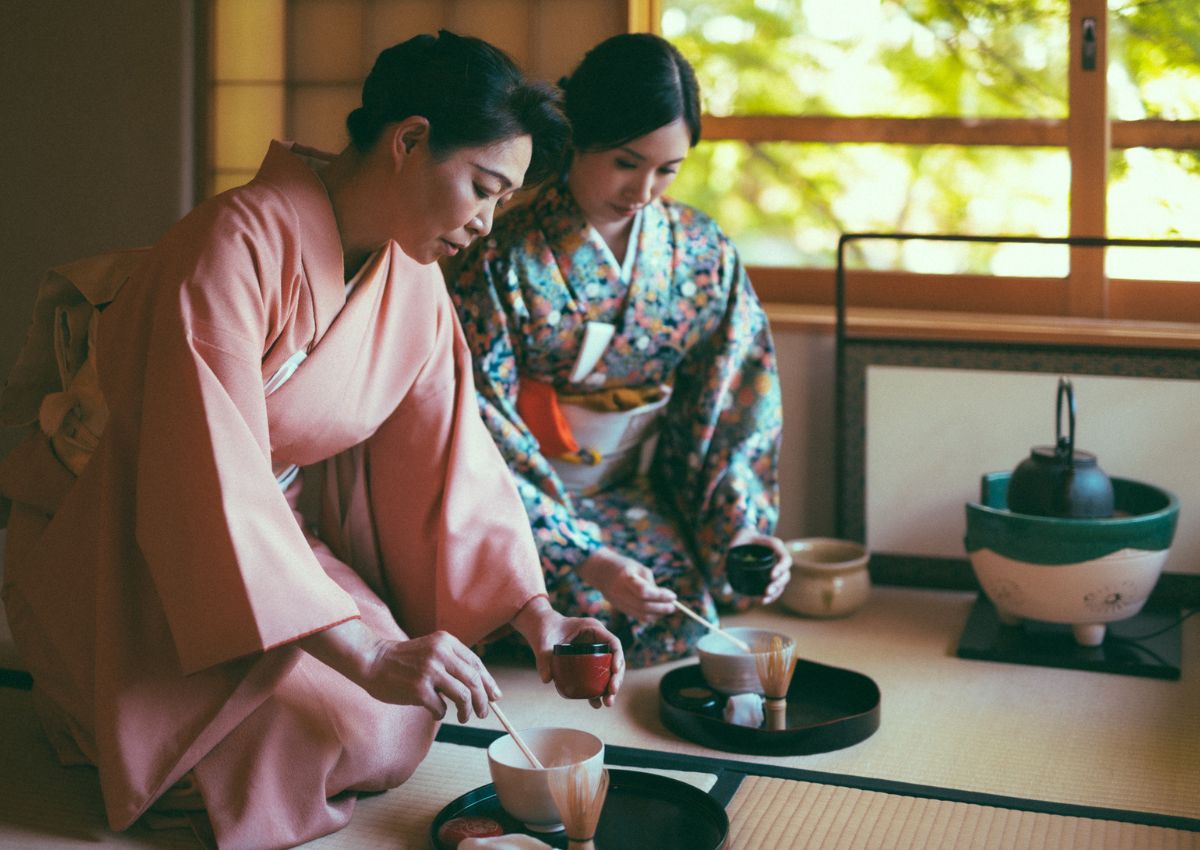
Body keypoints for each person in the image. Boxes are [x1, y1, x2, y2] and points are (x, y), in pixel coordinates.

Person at [0, 31, 623, 850]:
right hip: (132, 540)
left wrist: (534, 613)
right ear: (408, 140)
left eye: (502, 201)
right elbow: (203, 475)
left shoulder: (415, 282)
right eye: (482, 187)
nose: (486, 223)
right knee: (315, 734)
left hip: (265, 549)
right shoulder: (231, 244)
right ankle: (98, 701)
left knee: (396, 717)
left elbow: (450, 462)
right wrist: (362, 648)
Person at [448, 33, 790, 668]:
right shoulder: (500, 251)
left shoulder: (701, 250)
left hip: (626, 496)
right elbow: (479, 417)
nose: (644, 190)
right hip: (523, 505)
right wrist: (583, 553)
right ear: (579, 136)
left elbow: (733, 401)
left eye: (668, 169)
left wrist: (740, 526)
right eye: (626, 163)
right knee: (567, 612)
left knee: (678, 610)